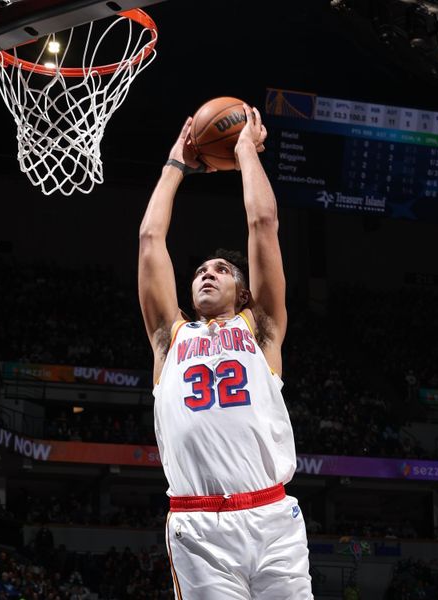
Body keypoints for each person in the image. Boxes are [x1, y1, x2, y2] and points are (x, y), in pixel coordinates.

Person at [138, 104, 313, 599]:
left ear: (242, 290)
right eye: (199, 271)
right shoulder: (169, 339)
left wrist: (243, 151)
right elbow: (151, 239)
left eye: (220, 269)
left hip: (273, 516)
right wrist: (176, 163)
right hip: (199, 529)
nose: (206, 273)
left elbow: (263, 224)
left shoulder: (261, 329)